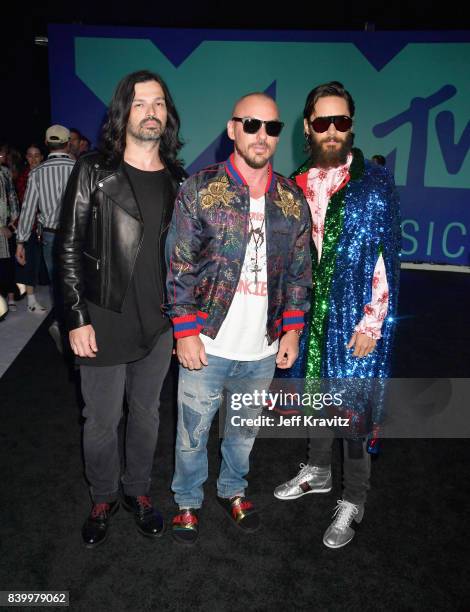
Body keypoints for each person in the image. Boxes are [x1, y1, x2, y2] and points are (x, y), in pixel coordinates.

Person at [165, 92, 312, 545]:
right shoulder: (199, 189)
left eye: (271, 127)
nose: (262, 135)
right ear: (232, 130)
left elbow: (299, 270)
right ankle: (187, 500)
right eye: (251, 125)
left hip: (263, 348)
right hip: (206, 344)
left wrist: (292, 329)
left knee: (243, 434)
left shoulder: (290, 197)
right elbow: (179, 265)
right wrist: (185, 331)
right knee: (192, 435)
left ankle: (232, 490)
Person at [58, 70, 186, 548]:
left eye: (158, 103)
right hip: (102, 319)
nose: (150, 111)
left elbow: (187, 258)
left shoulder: (179, 178)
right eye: (139, 103)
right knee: (102, 420)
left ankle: (138, 492)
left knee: (148, 414)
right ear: (123, 112)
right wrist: (74, 318)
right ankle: (103, 495)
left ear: (167, 114)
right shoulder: (93, 169)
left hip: (159, 324)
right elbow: (68, 246)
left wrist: (184, 322)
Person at [273, 81, 401, 548]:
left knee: (354, 410)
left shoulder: (374, 181)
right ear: (308, 126)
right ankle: (319, 471)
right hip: (313, 315)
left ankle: (355, 498)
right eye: (322, 122)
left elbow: (387, 256)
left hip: (356, 315)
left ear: (351, 125)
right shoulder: (296, 182)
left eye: (340, 122)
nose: (332, 130)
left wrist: (373, 321)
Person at [16, 126, 75, 348]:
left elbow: (28, 210)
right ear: (67, 143)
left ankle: (62, 323)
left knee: (57, 285)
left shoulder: (37, 173)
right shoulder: (78, 168)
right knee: (77, 281)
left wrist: (20, 241)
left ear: (46, 143)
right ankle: (77, 324)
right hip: (76, 236)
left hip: (50, 236)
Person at [14, 145, 47, 313]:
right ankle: (31, 302)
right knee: (29, 263)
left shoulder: (45, 173)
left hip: (42, 226)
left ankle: (32, 298)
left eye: (36, 155)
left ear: (42, 157)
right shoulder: (24, 177)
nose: (33, 159)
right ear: (26, 157)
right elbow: (25, 205)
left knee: (36, 263)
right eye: (30, 156)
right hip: (28, 226)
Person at [0, 144, 19, 311]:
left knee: (8, 263)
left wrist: (13, 223)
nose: (3, 157)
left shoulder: (5, 172)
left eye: (3, 154)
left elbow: (12, 196)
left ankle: (11, 297)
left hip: (7, 225)